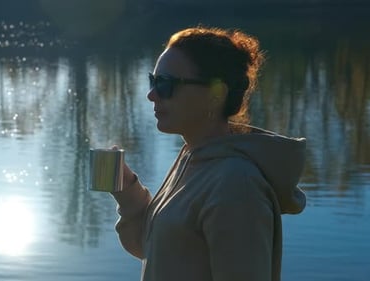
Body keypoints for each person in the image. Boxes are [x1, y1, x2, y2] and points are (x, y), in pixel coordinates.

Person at [110, 26, 307, 281]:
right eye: (153, 81)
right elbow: (156, 249)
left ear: (216, 94)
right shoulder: (194, 158)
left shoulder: (237, 185)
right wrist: (127, 191)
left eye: (165, 84)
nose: (151, 94)